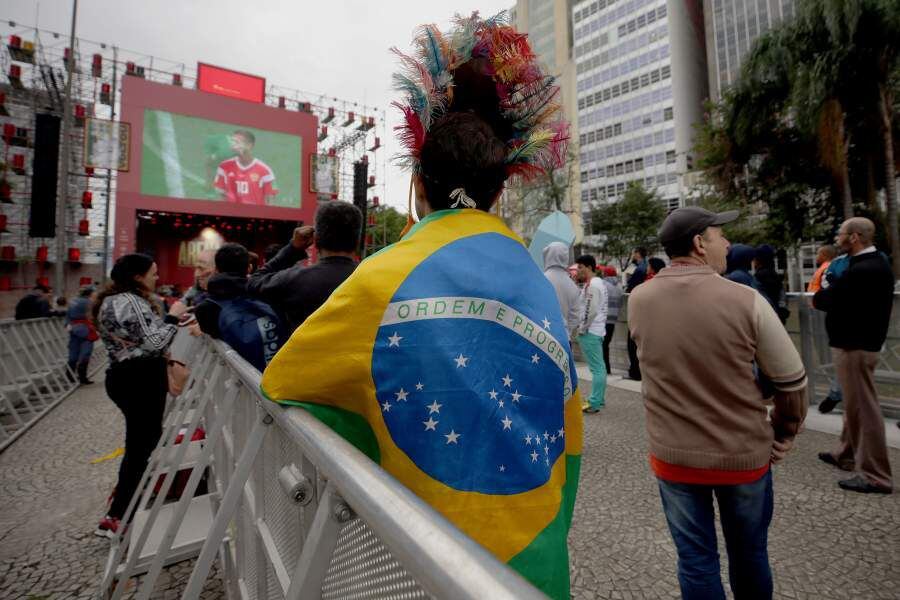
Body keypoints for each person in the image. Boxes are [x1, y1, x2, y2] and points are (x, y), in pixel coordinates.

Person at [260, 14, 580, 598]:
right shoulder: (537, 285)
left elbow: (286, 384)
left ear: (419, 188)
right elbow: (567, 426)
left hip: (424, 564)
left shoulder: (382, 277)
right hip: (534, 561)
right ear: (499, 190)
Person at [629, 206, 807, 599]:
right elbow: (792, 382)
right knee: (749, 555)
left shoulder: (639, 299)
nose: (727, 243)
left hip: (673, 456)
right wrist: (784, 431)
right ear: (698, 244)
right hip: (741, 455)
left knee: (695, 560)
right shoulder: (746, 299)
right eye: (719, 236)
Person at [92, 254, 188, 537]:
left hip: (125, 377)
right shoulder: (130, 301)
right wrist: (174, 314)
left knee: (140, 444)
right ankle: (117, 515)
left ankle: (121, 503)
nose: (156, 277)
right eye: (153, 273)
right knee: (141, 446)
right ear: (137, 276)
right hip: (139, 379)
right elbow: (156, 341)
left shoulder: (111, 301)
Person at [814, 218, 894, 494]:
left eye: (842, 233)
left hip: (855, 347)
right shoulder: (874, 264)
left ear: (855, 237)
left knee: (863, 408)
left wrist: (822, 294)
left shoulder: (863, 269)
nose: (837, 237)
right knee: (854, 404)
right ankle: (845, 454)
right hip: (858, 344)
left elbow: (826, 299)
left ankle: (875, 475)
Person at [247, 202, 361, 334]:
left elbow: (253, 282)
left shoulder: (294, 279)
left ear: (316, 239)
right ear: (357, 241)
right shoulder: (375, 281)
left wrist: (293, 248)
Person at [194, 243, 286, 371]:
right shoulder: (268, 297)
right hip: (275, 376)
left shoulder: (206, 309)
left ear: (216, 270)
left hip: (231, 382)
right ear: (249, 268)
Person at [807, 245, 844, 414]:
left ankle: (836, 393)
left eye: (817, 252)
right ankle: (836, 392)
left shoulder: (831, 268)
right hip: (821, 312)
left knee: (839, 359)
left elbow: (825, 290)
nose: (816, 255)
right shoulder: (830, 267)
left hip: (824, 313)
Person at [575, 255, 608, 413]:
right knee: (599, 367)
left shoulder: (593, 285)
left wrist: (582, 327)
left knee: (597, 368)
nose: (578, 270)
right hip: (597, 330)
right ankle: (599, 399)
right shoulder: (598, 283)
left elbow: (590, 309)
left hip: (590, 331)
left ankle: (594, 402)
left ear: (589, 267)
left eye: (580, 267)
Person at [213, 130, 278, 205]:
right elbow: (221, 195)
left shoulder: (265, 171)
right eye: (232, 142)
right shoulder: (224, 167)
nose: (233, 145)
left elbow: (270, 199)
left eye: (237, 142)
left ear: (249, 145)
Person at [543, 242, 581, 339]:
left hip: (541, 335)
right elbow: (575, 317)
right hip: (563, 338)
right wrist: (566, 331)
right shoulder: (573, 286)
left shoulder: (541, 279)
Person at [66, 285, 98, 384]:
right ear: (90, 293)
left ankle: (70, 375)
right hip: (86, 329)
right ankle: (82, 377)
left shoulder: (72, 301)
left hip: (73, 328)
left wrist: (67, 324)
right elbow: (92, 316)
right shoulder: (89, 302)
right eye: (94, 292)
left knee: (73, 353)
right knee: (85, 353)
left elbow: (68, 315)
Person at [625, 247, 648, 381]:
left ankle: (635, 372)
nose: (632, 255)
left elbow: (631, 286)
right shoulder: (641, 267)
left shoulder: (640, 269)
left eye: (634, 253)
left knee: (632, 343)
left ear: (638, 254)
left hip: (637, 307)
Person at [754, 244, 789, 323]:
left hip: (768, 317)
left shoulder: (759, 276)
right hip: (778, 315)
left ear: (759, 260)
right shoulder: (774, 274)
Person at [601, 266, 623, 375]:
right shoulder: (619, 286)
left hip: (603, 319)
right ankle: (607, 368)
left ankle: (605, 369)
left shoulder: (603, 284)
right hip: (613, 319)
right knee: (606, 344)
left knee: (601, 345)